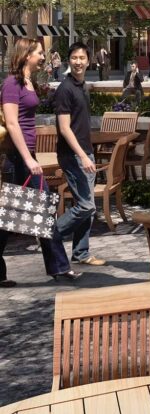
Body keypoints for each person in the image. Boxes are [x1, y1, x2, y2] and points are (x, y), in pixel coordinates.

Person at [0, 38, 78, 286]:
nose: (44, 57)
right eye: (39, 53)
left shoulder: (28, 82)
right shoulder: (12, 84)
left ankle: (58, 268)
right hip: (18, 158)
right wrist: (27, 158)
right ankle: (60, 268)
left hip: (26, 156)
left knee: (14, 217)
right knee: (36, 212)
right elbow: (12, 123)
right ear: (25, 55)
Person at [53, 42, 104, 266]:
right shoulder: (65, 89)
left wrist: (88, 153)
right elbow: (65, 128)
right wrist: (82, 156)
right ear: (68, 60)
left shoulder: (82, 86)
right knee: (86, 205)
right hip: (73, 155)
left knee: (88, 209)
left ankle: (81, 253)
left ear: (88, 61)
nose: (78, 62)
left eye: (82, 58)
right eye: (74, 58)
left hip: (85, 153)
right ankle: (51, 232)